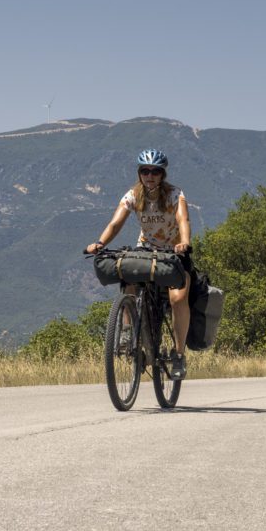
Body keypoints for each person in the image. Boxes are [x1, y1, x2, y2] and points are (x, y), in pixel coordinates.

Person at [85, 149, 192, 379]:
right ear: (139, 173)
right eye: (145, 171)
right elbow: (116, 223)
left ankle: (179, 355)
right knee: (129, 280)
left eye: (155, 171)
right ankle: (126, 332)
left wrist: (184, 242)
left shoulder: (175, 194)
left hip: (173, 254)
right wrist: (99, 242)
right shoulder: (133, 195)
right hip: (146, 251)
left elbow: (183, 219)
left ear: (162, 174)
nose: (150, 175)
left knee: (178, 298)